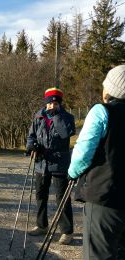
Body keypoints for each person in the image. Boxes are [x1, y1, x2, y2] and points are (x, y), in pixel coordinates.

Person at [68, 65, 125, 259]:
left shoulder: (102, 111)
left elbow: (83, 152)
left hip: (105, 196)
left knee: (98, 255)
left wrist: (73, 173)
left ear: (110, 89)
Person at [26, 86, 75, 245]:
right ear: (45, 102)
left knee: (62, 197)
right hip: (41, 162)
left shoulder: (67, 117)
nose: (52, 106)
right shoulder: (38, 116)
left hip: (60, 162)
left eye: (55, 103)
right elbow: (31, 135)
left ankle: (67, 232)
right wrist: (32, 145)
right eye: (49, 103)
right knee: (41, 195)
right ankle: (42, 225)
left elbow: (65, 133)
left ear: (60, 103)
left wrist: (56, 117)